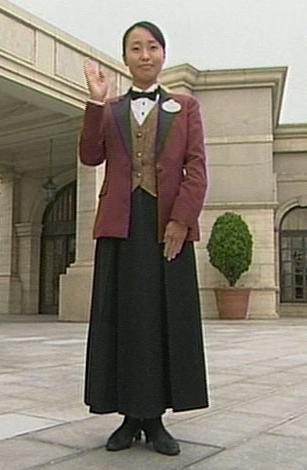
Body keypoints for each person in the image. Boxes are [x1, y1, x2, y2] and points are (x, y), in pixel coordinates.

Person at [80, 21, 209, 456]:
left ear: (163, 54)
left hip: (165, 228)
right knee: (122, 320)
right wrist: (95, 102)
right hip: (120, 226)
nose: (145, 55)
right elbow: (89, 156)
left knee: (161, 320)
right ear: (125, 58)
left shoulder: (185, 107)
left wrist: (181, 220)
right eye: (136, 48)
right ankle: (128, 417)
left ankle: (155, 420)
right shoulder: (111, 109)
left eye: (152, 47)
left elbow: (196, 168)